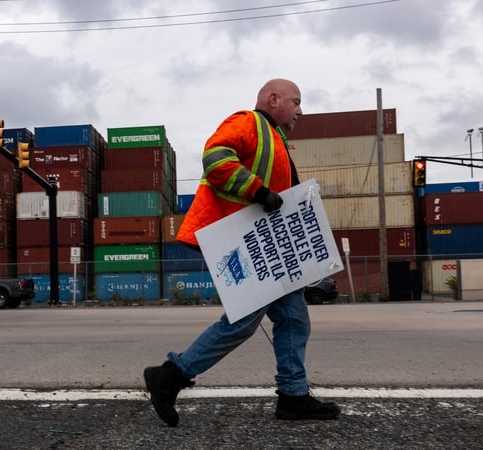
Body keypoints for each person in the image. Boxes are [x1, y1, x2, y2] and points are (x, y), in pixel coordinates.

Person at [143, 78, 340, 427]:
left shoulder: (276, 139)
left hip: (268, 248)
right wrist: (259, 192)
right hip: (247, 247)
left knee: (294, 319)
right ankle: (171, 374)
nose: (300, 110)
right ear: (273, 98)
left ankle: (294, 396)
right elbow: (215, 159)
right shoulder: (248, 122)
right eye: (295, 101)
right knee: (242, 324)